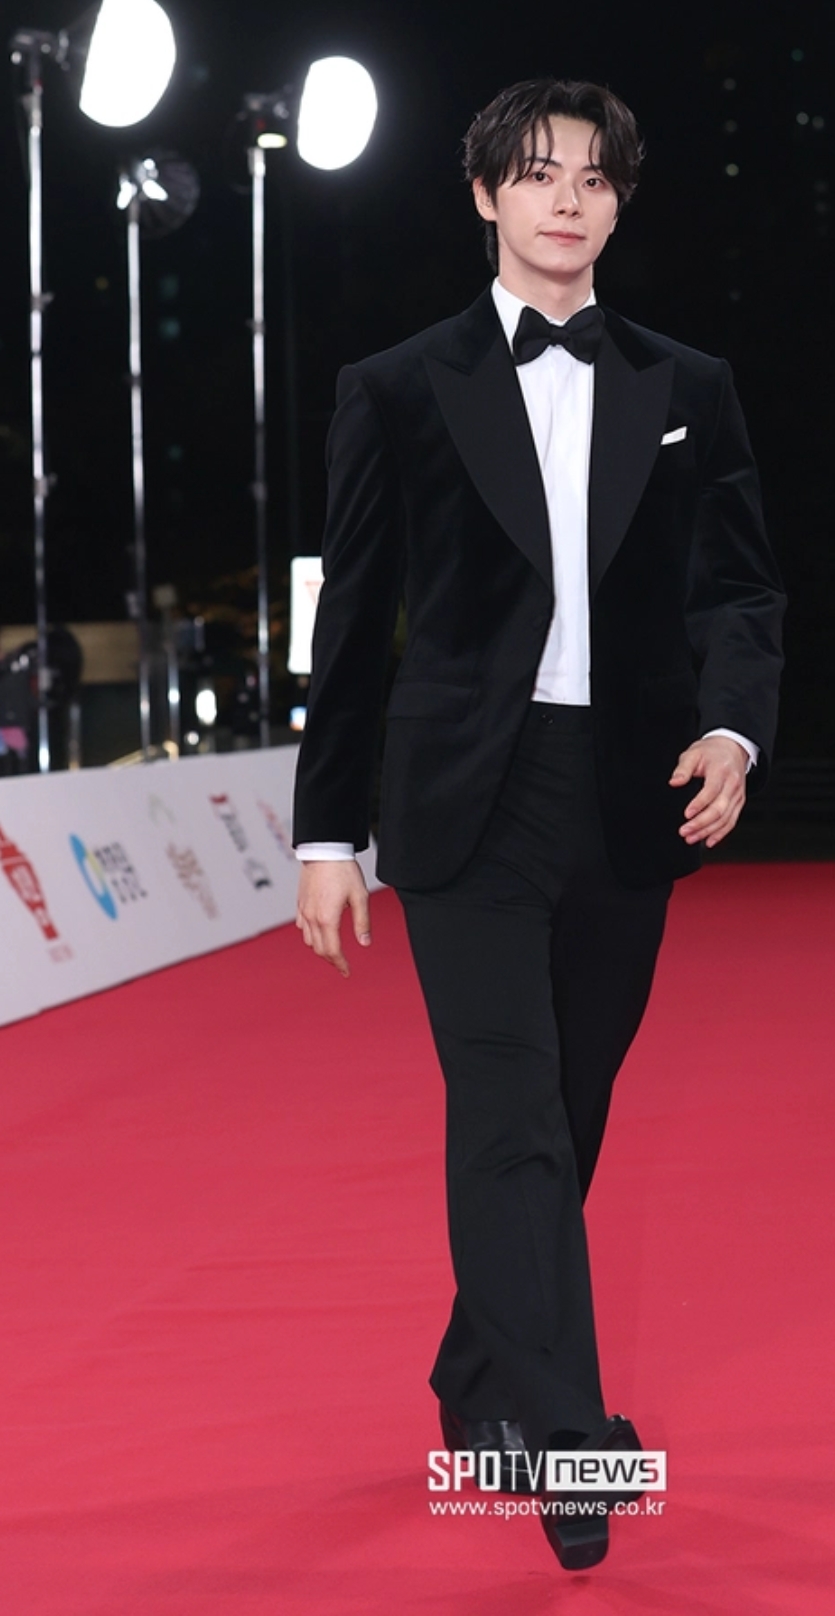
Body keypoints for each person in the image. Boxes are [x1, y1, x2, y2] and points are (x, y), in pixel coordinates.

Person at [292, 78, 785, 1570]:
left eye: (592, 177)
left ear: (619, 203)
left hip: (628, 796)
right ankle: (571, 1443)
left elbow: (739, 588)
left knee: (569, 1118)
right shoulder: (396, 386)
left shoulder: (688, 383)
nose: (565, 199)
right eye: (536, 173)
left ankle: (473, 1379)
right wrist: (326, 837)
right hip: (464, 800)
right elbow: (354, 621)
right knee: (508, 1115)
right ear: (485, 196)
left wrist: (732, 726)